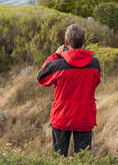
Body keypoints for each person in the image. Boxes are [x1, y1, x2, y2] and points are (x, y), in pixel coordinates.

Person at [37, 24, 100, 157]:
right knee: (83, 161)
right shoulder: (95, 64)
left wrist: (55, 55)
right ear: (84, 41)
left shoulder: (58, 65)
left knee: (58, 159)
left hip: (62, 117)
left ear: (66, 42)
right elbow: (96, 81)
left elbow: (41, 77)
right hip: (84, 117)